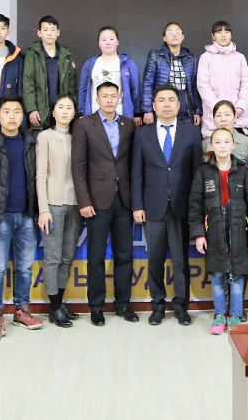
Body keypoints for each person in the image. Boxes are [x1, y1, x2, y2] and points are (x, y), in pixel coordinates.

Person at [132, 84, 202, 325]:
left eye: (171, 99)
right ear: (154, 105)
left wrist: (196, 207)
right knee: (155, 260)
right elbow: (137, 173)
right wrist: (137, 205)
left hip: (182, 207)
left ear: (179, 104)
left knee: (181, 261)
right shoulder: (142, 134)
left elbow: (197, 173)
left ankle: (181, 307)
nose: (167, 104)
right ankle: (158, 306)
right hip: (153, 207)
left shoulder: (191, 132)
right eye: (161, 100)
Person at [70, 81, 139, 326]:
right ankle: (97, 307)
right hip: (96, 200)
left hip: (124, 199)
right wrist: (84, 200)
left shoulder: (128, 124)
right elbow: (78, 166)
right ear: (97, 99)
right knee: (96, 257)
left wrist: (135, 201)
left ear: (119, 98)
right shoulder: (84, 125)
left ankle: (123, 304)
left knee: (125, 255)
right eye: (105, 96)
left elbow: (133, 164)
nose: (109, 100)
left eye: (113, 96)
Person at [0, 95, 43, 333]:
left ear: (23, 116)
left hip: (26, 216)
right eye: (6, 111)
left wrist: (37, 211)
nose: (12, 116)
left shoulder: (31, 143)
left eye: (16, 112)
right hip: (0, 217)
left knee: (25, 268)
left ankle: (22, 310)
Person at [189, 128, 248, 334]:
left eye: (226, 142)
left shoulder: (244, 172)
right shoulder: (203, 173)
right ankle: (220, 315)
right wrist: (199, 234)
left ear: (233, 145)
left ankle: (235, 315)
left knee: (237, 275)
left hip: (240, 232)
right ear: (211, 146)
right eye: (218, 142)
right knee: (217, 275)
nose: (222, 146)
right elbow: (195, 206)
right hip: (214, 232)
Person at [35, 94, 81, 327]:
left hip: (75, 203)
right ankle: (54, 307)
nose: (64, 111)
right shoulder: (45, 137)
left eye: (69, 108)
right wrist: (43, 209)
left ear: (74, 113)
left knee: (66, 257)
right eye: (60, 107)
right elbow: (40, 174)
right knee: (53, 258)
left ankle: (60, 303)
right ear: (53, 112)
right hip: (52, 204)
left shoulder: (78, 138)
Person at [196, 20, 248, 138]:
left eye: (227, 32)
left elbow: (246, 84)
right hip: (213, 120)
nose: (223, 35)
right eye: (219, 32)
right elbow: (203, 86)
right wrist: (219, 110)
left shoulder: (240, 58)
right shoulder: (206, 58)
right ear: (213, 36)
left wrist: (239, 107)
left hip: (238, 118)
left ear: (231, 35)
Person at [23, 15, 78, 131]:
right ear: (39, 33)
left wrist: (72, 109)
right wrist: (31, 109)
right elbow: (28, 84)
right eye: (46, 30)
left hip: (62, 113)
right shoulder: (33, 54)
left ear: (58, 32)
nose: (49, 33)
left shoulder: (66, 55)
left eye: (53, 30)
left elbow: (72, 86)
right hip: (40, 112)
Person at [78, 26, 141, 125]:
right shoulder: (90, 64)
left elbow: (135, 89)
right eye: (104, 40)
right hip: (94, 114)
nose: (108, 42)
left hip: (121, 114)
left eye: (111, 39)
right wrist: (81, 112)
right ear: (99, 43)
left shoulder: (127, 63)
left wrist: (137, 113)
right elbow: (83, 90)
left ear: (117, 42)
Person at [142, 22, 201, 126]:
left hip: (186, 112)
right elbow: (147, 84)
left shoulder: (191, 58)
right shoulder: (156, 56)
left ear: (183, 36)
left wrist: (197, 111)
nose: (174, 35)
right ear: (164, 38)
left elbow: (194, 87)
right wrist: (147, 110)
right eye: (170, 33)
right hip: (163, 111)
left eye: (177, 32)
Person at [201, 100, 248, 168]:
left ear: (235, 117)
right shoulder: (206, 144)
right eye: (218, 115)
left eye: (227, 115)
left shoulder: (247, 143)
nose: (223, 119)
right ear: (214, 119)